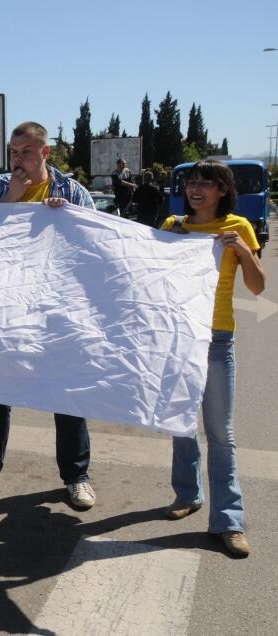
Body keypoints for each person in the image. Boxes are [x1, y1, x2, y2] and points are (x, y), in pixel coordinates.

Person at [0, 122, 98, 509]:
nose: (18, 160)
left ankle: (76, 476)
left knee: (66, 393)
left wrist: (66, 220)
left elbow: (93, 245)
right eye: (13, 152)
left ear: (45, 153)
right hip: (7, 305)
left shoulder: (72, 192)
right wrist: (12, 200)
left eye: (26, 152)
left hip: (58, 307)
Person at [161, 160, 265, 558]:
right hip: (178, 338)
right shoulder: (172, 226)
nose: (196, 189)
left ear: (223, 190)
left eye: (206, 183)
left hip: (217, 339)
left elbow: (258, 286)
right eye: (191, 182)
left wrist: (242, 250)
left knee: (221, 434)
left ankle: (229, 521)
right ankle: (188, 494)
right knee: (181, 423)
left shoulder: (238, 226)